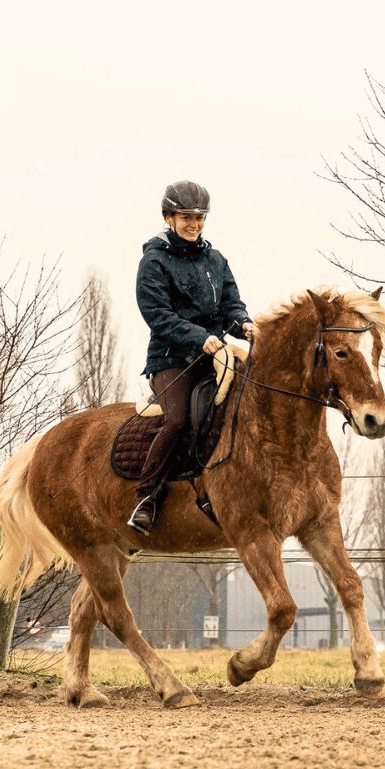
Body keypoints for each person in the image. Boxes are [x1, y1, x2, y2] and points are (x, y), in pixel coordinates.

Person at [128, 180, 253, 534]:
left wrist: (243, 324)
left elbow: (231, 305)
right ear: (168, 217)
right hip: (171, 361)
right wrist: (200, 338)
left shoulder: (216, 260)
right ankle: (146, 498)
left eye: (199, 218)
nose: (194, 224)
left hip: (214, 358)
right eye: (186, 217)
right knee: (179, 421)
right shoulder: (154, 262)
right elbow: (158, 315)